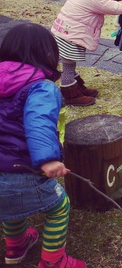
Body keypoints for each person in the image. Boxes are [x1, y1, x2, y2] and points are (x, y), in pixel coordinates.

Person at [0, 23, 86, 268]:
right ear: (49, 55)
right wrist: (48, 159)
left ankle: (15, 248)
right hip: (21, 171)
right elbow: (38, 121)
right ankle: (54, 261)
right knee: (59, 207)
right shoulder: (41, 87)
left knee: (12, 205)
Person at [51, 0, 122, 106]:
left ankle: (76, 87)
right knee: (69, 65)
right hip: (71, 35)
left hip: (65, 31)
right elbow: (115, 8)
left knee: (70, 63)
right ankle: (70, 94)